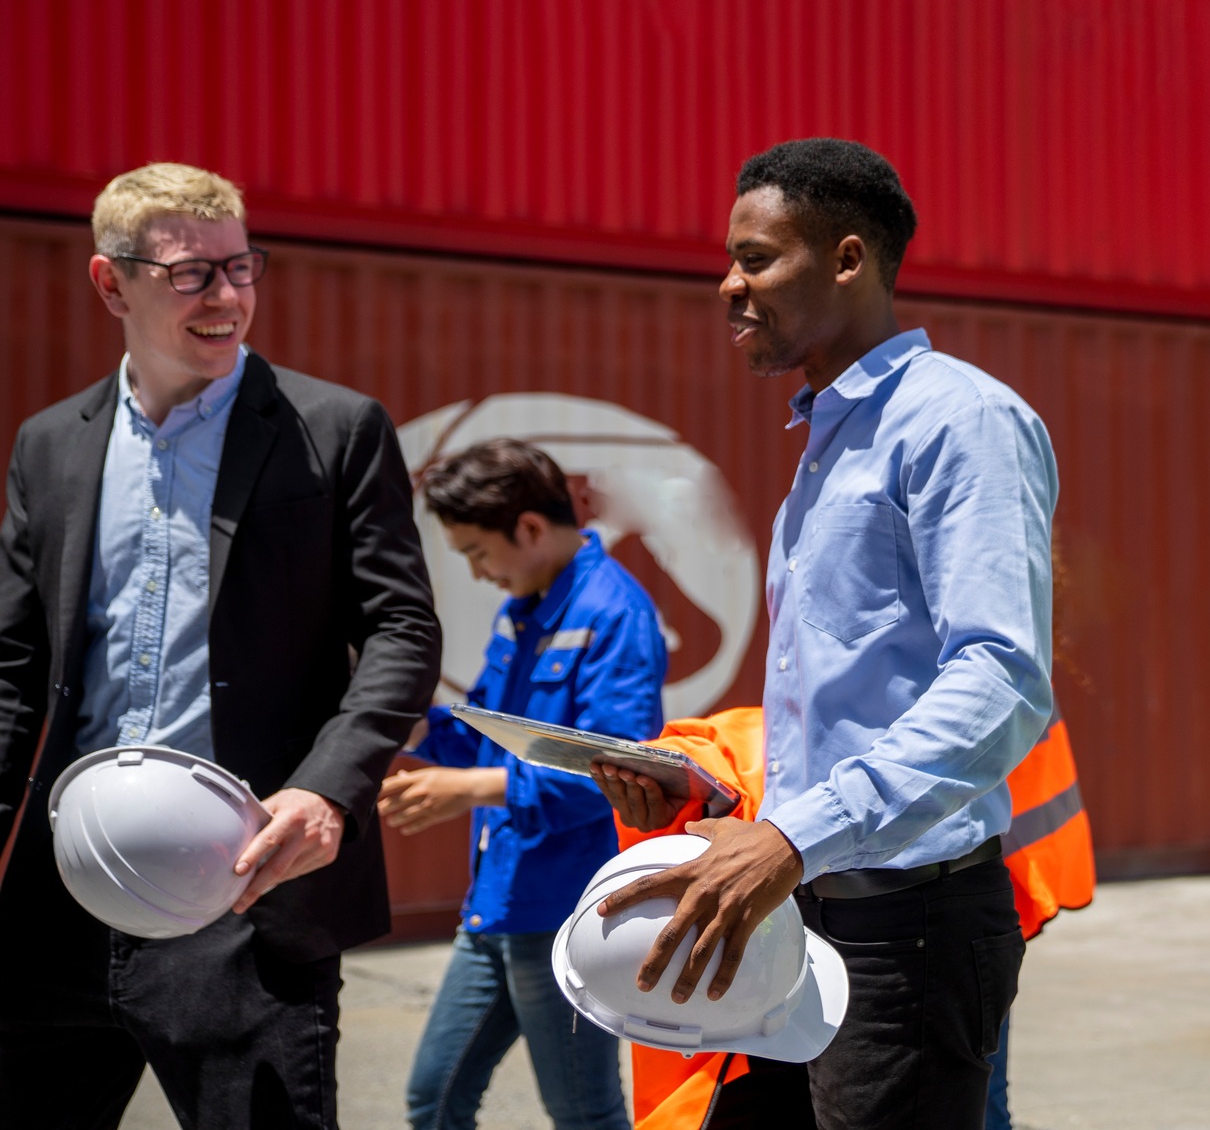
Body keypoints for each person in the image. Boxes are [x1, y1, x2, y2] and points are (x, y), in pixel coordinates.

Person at [591, 137, 1058, 1129]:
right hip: (800, 906)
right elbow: (851, 702)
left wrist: (792, 835)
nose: (727, 284)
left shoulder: (957, 422)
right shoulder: (831, 439)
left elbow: (1001, 679)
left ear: (847, 260)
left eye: (756, 258)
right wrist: (726, 803)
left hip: (909, 934)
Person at [0, 162, 442, 1128]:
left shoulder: (334, 429)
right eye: (191, 274)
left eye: (243, 268)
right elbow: (13, 669)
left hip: (246, 896)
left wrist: (330, 789)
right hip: (63, 903)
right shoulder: (49, 445)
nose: (229, 297)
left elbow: (404, 629)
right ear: (111, 283)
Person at [384, 438, 665, 1130]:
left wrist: (471, 789)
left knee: (584, 1113)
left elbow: (613, 770)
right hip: (498, 902)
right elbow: (483, 726)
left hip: (564, 910)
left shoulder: (613, 613)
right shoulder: (523, 609)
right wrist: (396, 721)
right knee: (435, 1097)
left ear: (531, 529)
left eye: (478, 552)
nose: (478, 572)